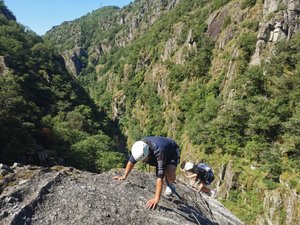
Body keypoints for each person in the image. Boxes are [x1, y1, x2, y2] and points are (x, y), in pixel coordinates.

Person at [113, 136, 180, 209]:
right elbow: (131, 162)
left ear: (148, 154)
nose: (142, 162)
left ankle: (170, 184)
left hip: (172, 152)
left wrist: (156, 199)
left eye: (144, 160)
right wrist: (124, 176)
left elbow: (159, 178)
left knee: (170, 176)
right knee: (164, 171)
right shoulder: (139, 148)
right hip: (161, 150)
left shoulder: (159, 152)